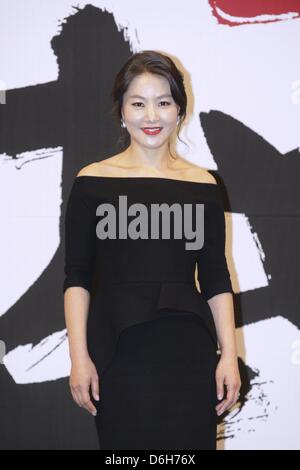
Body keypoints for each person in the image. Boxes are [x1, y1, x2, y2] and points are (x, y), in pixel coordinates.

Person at [63, 50, 241, 450]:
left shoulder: (203, 185)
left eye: (163, 103)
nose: (151, 116)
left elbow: (215, 277)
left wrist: (228, 354)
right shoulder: (92, 182)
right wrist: (79, 357)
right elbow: (77, 276)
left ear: (179, 109)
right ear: (121, 110)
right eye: (138, 103)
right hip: (117, 351)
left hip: (188, 350)